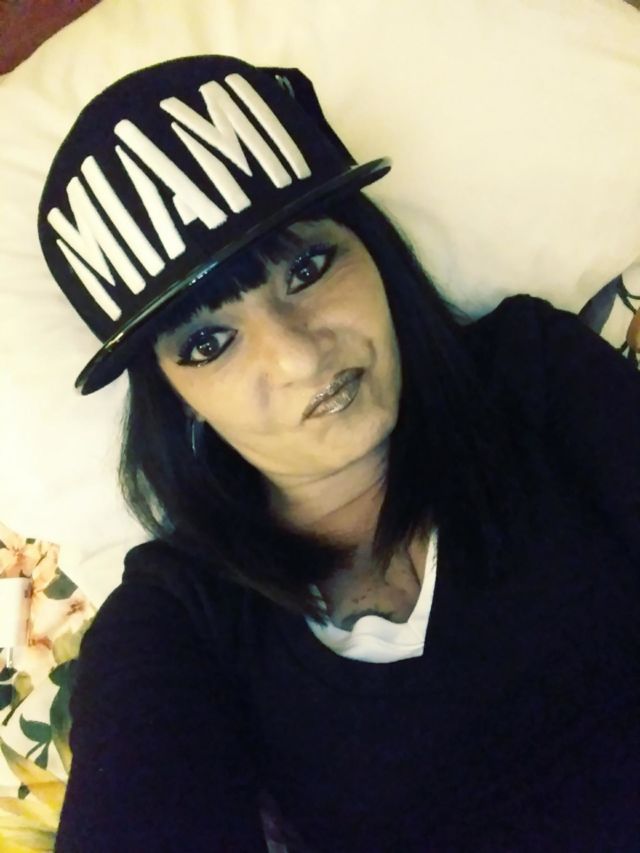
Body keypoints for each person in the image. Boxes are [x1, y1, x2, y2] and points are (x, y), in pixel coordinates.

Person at [38, 56, 638, 852]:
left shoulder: (534, 376)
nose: (296, 357)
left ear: (374, 249)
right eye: (209, 341)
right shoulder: (179, 619)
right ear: (175, 396)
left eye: (307, 268)